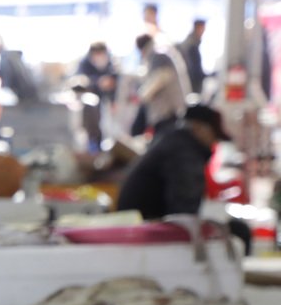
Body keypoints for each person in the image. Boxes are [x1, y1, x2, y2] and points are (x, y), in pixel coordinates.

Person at [117, 105, 250, 251]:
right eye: (214, 136)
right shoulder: (184, 152)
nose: (214, 143)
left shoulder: (173, 140)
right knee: (239, 231)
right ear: (199, 128)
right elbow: (184, 210)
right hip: (145, 230)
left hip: (139, 224)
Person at [134, 34, 189, 137]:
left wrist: (142, 95)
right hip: (173, 108)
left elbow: (158, 80)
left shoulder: (158, 55)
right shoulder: (162, 52)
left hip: (168, 111)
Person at [74, 42, 118, 152]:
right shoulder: (84, 64)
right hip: (89, 103)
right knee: (92, 129)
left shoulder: (110, 63)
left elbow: (115, 78)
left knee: (108, 128)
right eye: (97, 54)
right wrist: (98, 82)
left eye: (102, 53)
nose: (100, 56)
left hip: (106, 101)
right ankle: (94, 147)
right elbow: (80, 81)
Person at [177, 19, 208, 96]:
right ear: (198, 28)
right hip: (191, 86)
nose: (203, 31)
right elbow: (195, 71)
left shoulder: (189, 43)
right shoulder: (192, 46)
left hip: (188, 85)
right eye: (202, 28)